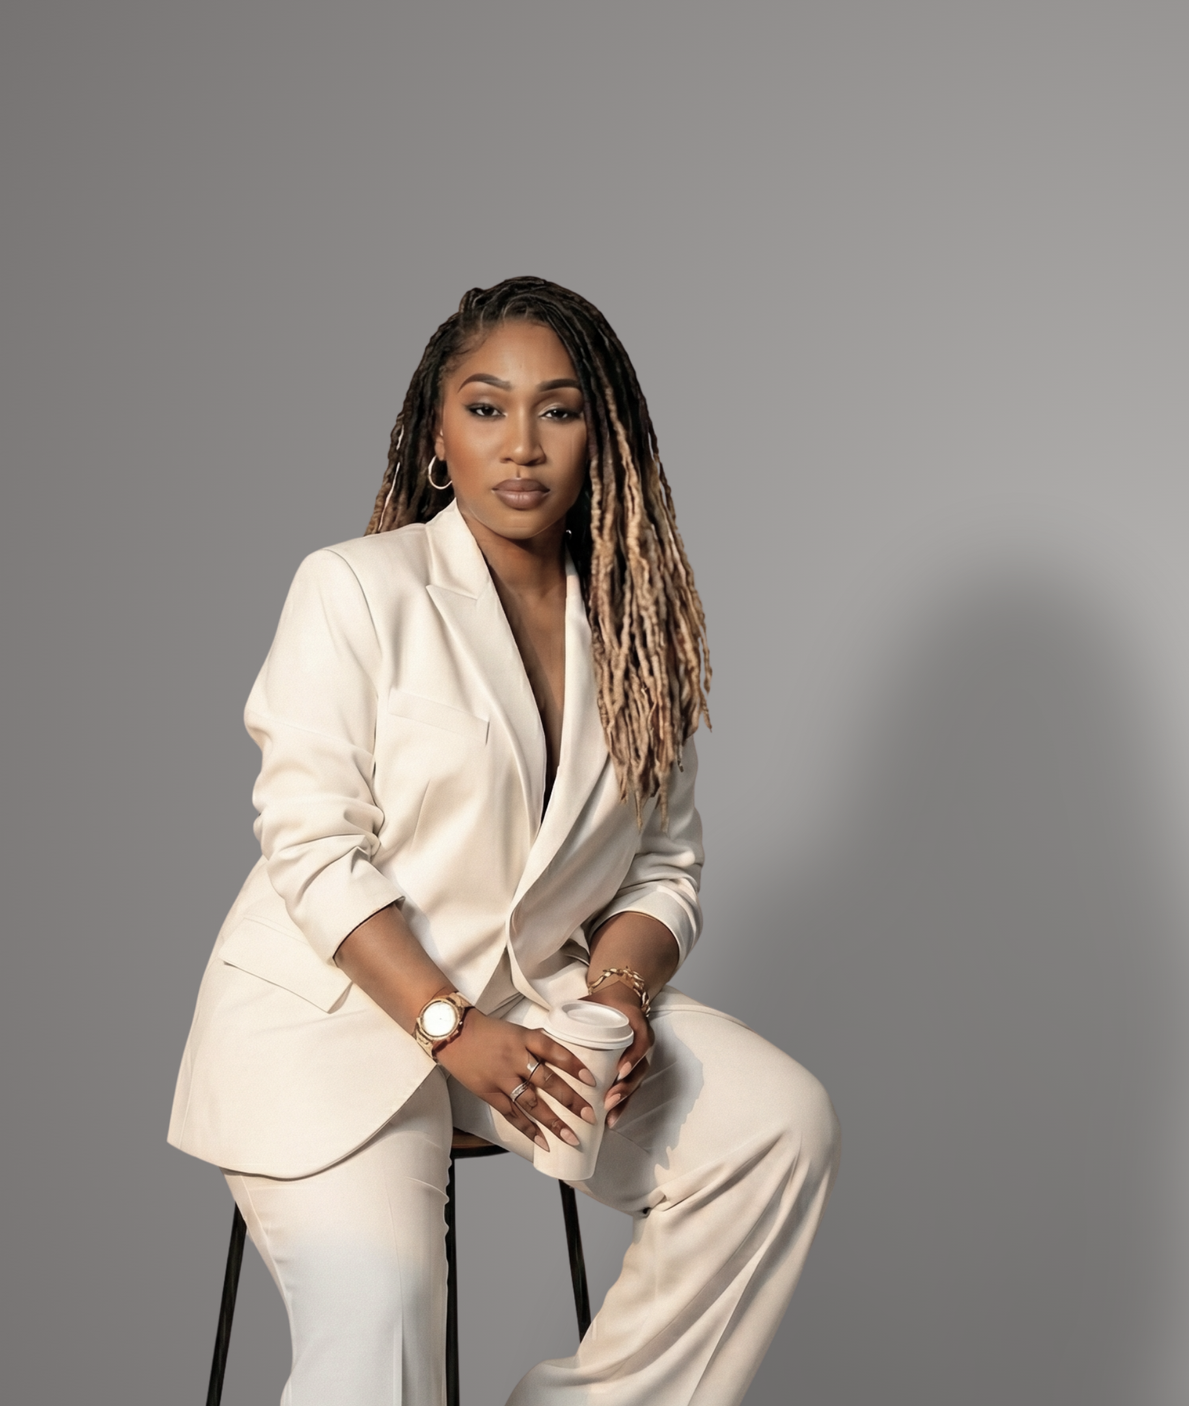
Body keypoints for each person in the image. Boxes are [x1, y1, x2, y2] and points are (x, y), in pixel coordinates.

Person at [167, 276, 838, 1404]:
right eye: (486, 408)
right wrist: (450, 1027)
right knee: (383, 1308)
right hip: (338, 1021)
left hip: (537, 1016)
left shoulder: (638, 629)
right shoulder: (356, 588)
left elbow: (663, 866)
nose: (521, 444)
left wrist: (619, 992)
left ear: (599, 435)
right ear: (438, 436)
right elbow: (311, 843)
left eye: (558, 410)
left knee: (778, 1126)